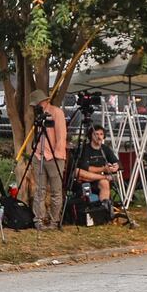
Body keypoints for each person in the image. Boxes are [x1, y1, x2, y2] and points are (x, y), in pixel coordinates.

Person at [28, 89, 68, 228]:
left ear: (44, 101)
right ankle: (39, 219)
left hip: (54, 157)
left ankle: (54, 220)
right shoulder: (38, 115)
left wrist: (56, 155)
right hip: (39, 155)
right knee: (40, 190)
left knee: (56, 190)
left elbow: (61, 136)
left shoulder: (56, 113)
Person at [73, 125, 120, 212]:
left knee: (105, 183)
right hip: (85, 178)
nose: (99, 137)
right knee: (77, 171)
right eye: (96, 134)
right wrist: (103, 170)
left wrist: (116, 166)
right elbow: (86, 168)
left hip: (94, 179)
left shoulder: (105, 149)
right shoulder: (85, 148)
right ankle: (104, 177)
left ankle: (104, 209)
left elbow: (117, 162)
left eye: (101, 134)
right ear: (91, 136)